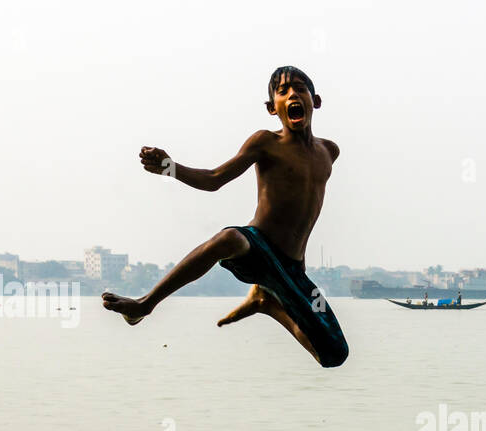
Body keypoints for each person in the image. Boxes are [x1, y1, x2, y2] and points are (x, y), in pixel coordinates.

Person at [100, 66, 348, 367]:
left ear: (315, 100)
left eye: (300, 88)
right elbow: (215, 178)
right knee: (230, 237)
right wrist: (170, 167)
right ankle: (145, 304)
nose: (293, 94)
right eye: (283, 92)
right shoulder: (266, 143)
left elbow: (304, 213)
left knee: (335, 354)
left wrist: (294, 277)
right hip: (257, 247)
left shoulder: (329, 152)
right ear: (272, 108)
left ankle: (266, 302)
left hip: (291, 268)